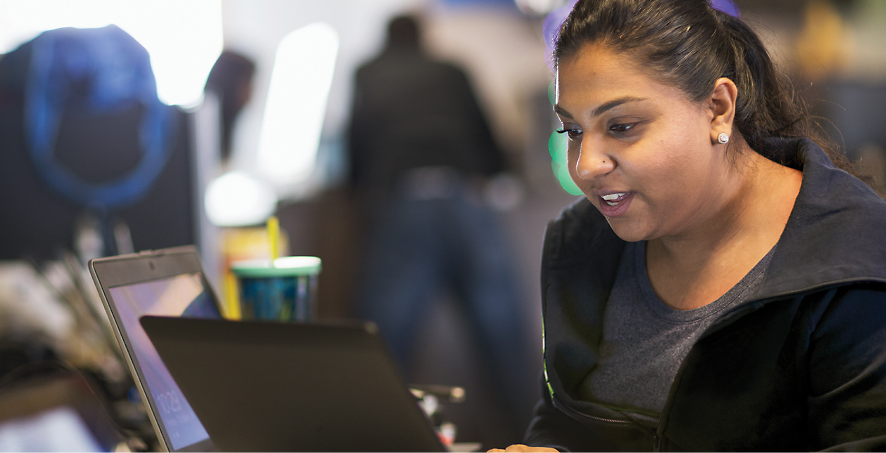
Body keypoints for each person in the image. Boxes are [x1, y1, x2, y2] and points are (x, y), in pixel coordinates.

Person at [491, 0, 886, 451]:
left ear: (717, 108)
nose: (585, 166)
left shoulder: (857, 264)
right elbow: (566, 419)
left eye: (621, 126)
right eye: (573, 131)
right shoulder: (582, 241)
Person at [348, 15, 536, 438]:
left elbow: (356, 141)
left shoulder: (368, 72)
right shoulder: (452, 69)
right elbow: (488, 136)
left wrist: (360, 191)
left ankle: (373, 439)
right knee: (503, 335)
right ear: (424, 38)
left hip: (404, 202)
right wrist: (497, 173)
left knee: (381, 342)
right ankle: (534, 439)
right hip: (464, 197)